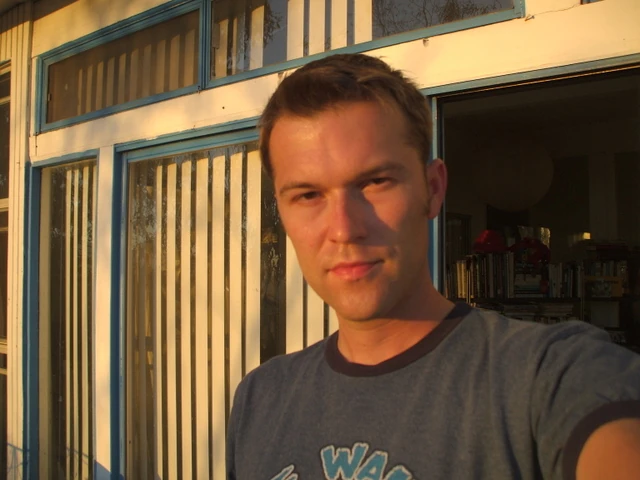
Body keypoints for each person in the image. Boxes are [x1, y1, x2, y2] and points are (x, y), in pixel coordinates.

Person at [226, 53, 640, 480]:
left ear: (433, 189)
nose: (344, 229)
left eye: (375, 182)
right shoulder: (260, 400)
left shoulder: (548, 377)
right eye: (308, 195)